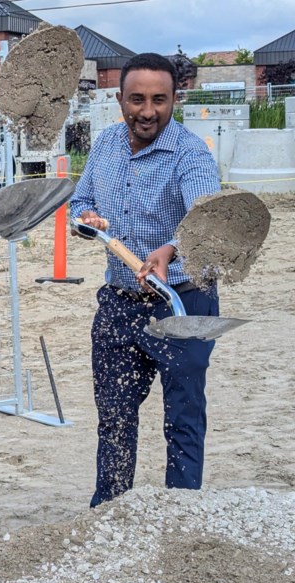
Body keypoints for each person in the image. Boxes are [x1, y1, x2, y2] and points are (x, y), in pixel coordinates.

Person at [69, 53, 222, 508]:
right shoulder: (106, 145)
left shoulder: (191, 154)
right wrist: (87, 219)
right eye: (137, 99)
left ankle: (182, 515)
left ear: (176, 98)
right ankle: (111, 511)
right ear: (120, 100)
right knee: (114, 417)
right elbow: (80, 203)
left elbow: (204, 219)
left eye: (159, 99)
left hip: (182, 302)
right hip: (119, 304)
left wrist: (171, 249)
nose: (147, 110)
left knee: (183, 416)